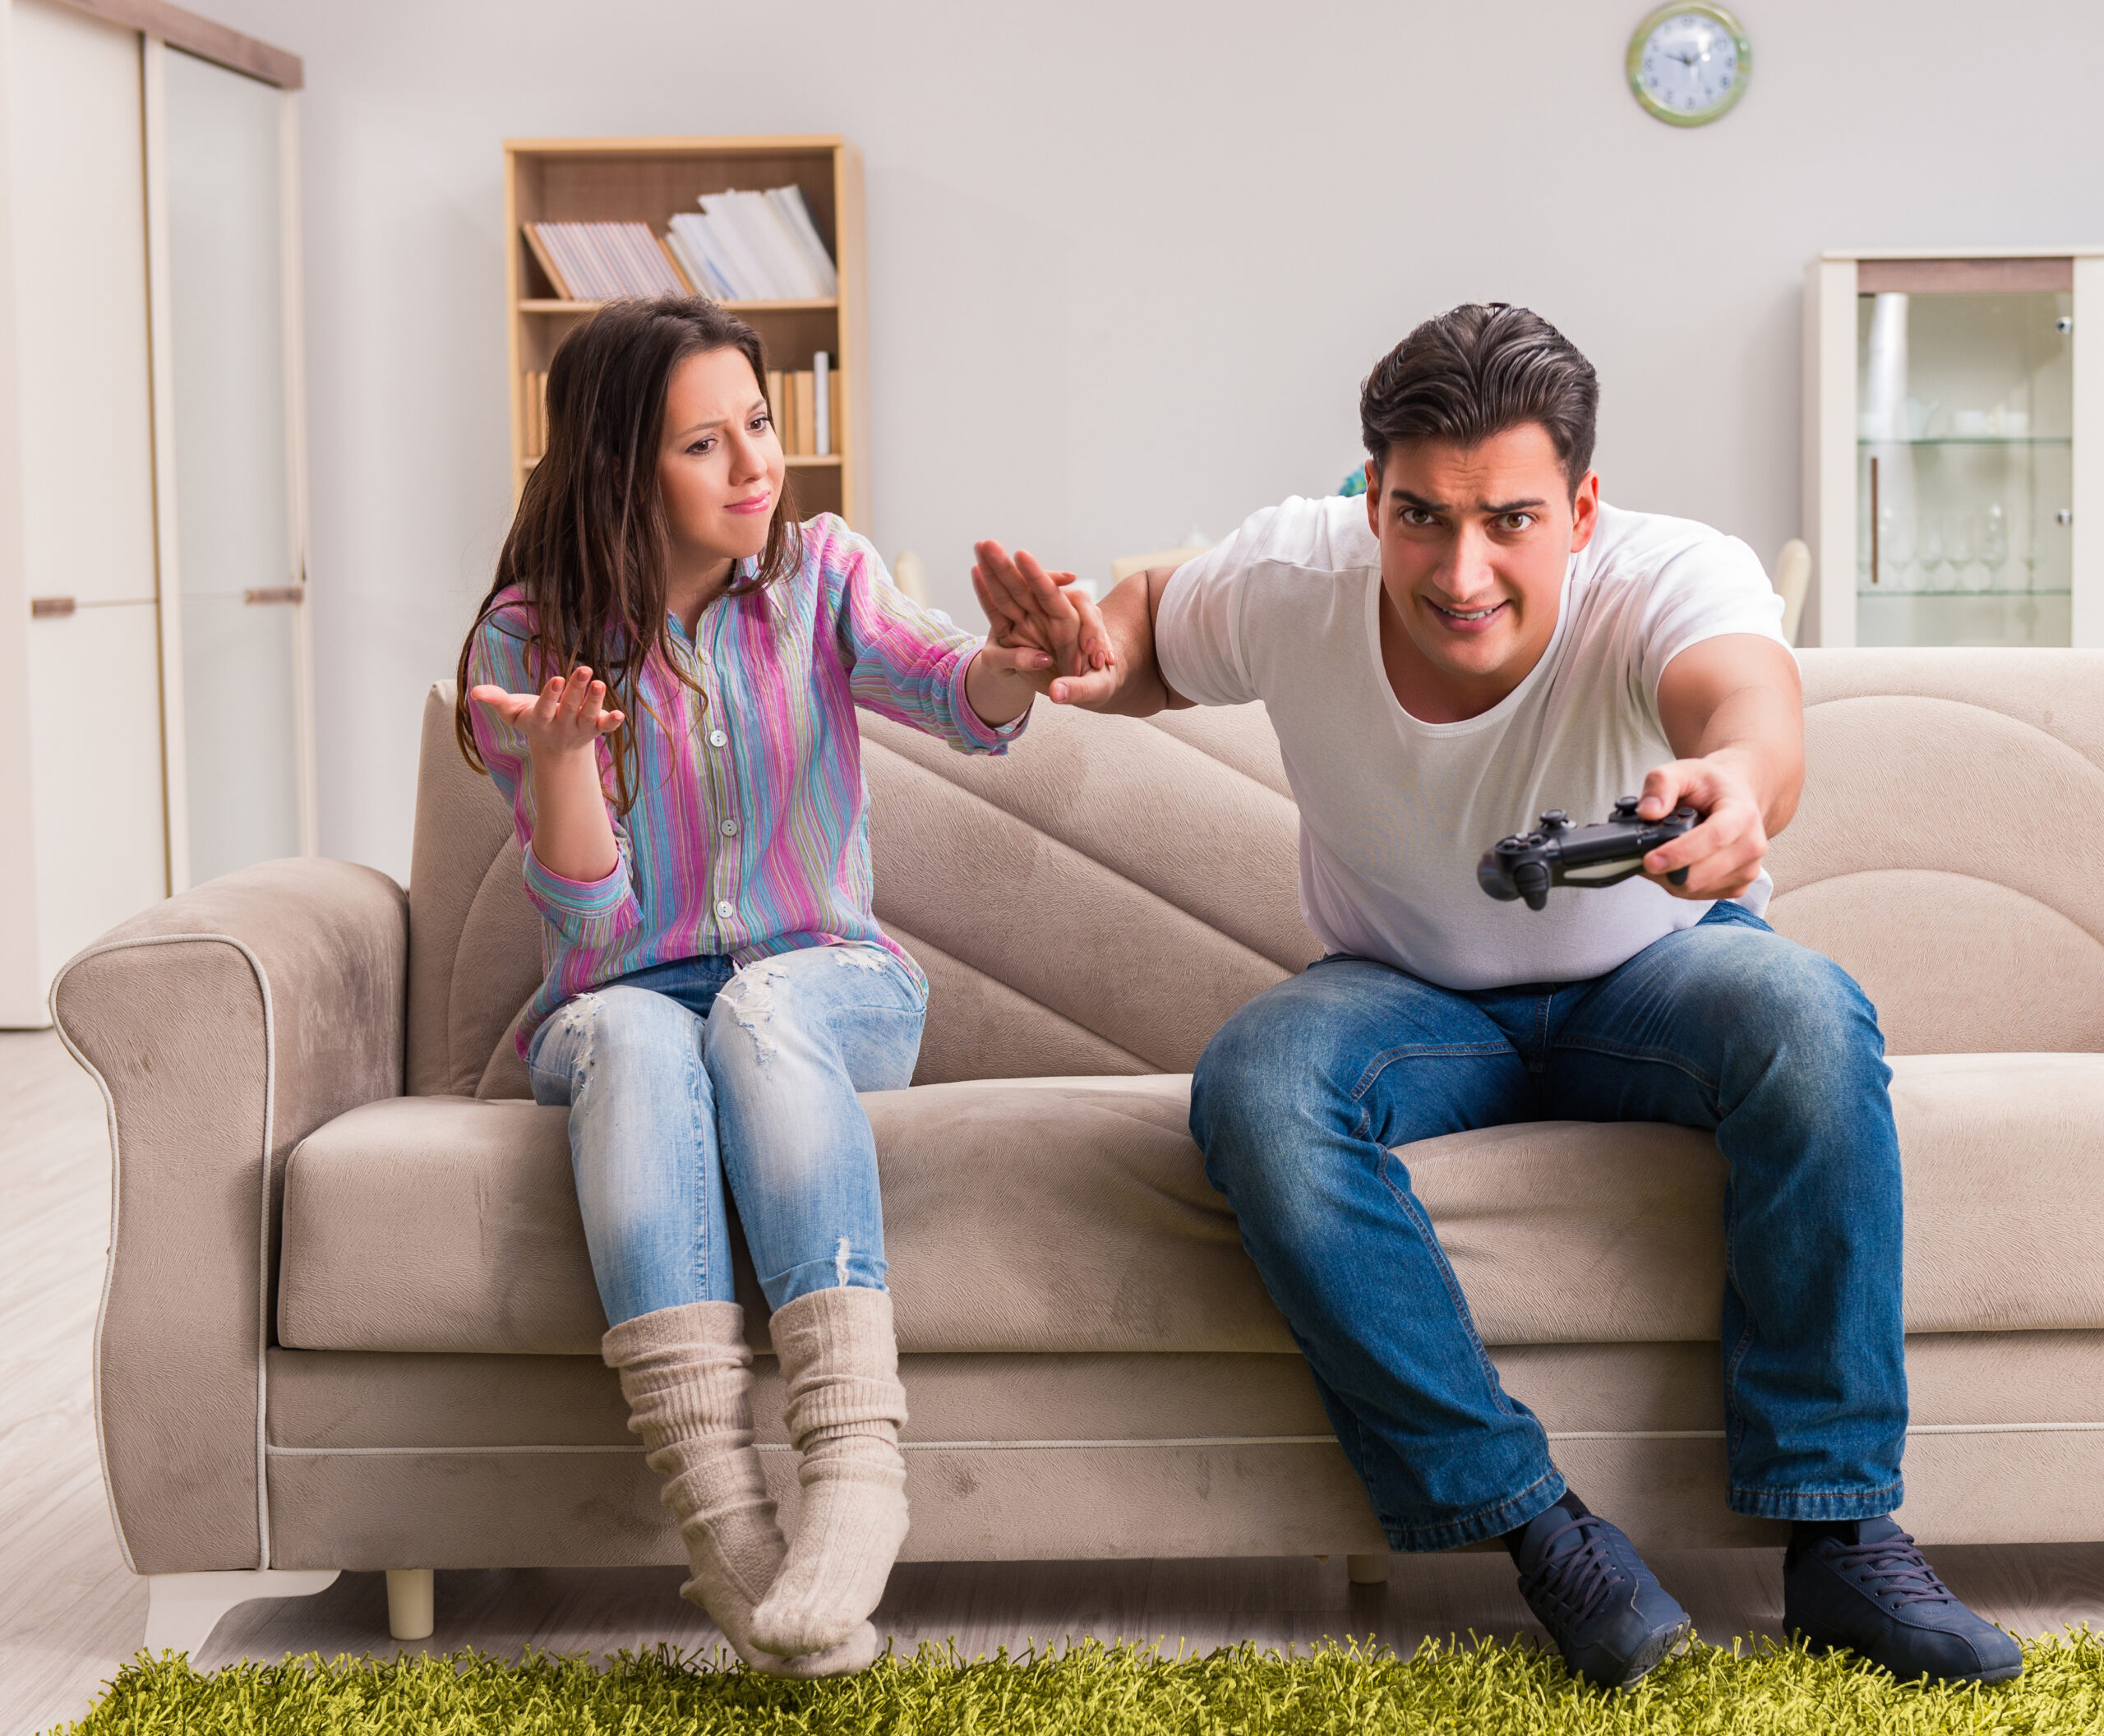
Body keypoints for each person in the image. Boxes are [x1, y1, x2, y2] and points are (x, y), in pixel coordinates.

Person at [970, 303, 2023, 1691]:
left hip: (1655, 973)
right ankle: (1536, 1529)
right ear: (1372, 496)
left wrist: (1739, 784)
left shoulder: (1668, 574)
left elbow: (1746, 705)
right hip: (1405, 997)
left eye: (1512, 521)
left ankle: (1839, 1538)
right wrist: (1098, 651)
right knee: (1259, 1089)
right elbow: (1156, 622)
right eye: (1420, 518)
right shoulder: (1302, 570)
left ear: (1582, 508)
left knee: (1814, 1020)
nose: (1461, 571)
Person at [456, 298, 1054, 1675]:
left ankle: (853, 1469)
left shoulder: (822, 575)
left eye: (761, 426)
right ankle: (725, 1523)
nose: (756, 466)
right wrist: (558, 767)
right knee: (635, 1027)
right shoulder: (527, 640)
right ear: (619, 467)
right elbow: (593, 921)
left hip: (827, 985)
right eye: (705, 443)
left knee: (759, 1005)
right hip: (625, 1005)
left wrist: (1013, 666)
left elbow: (957, 697)